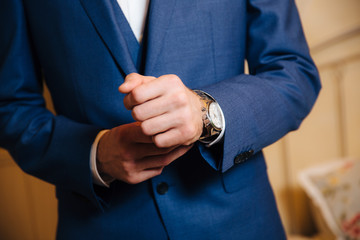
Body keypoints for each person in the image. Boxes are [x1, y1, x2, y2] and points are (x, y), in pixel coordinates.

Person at [0, 0, 321, 239]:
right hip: (101, 226)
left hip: (238, 223)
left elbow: (294, 71)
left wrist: (205, 113)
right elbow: (11, 106)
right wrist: (95, 154)